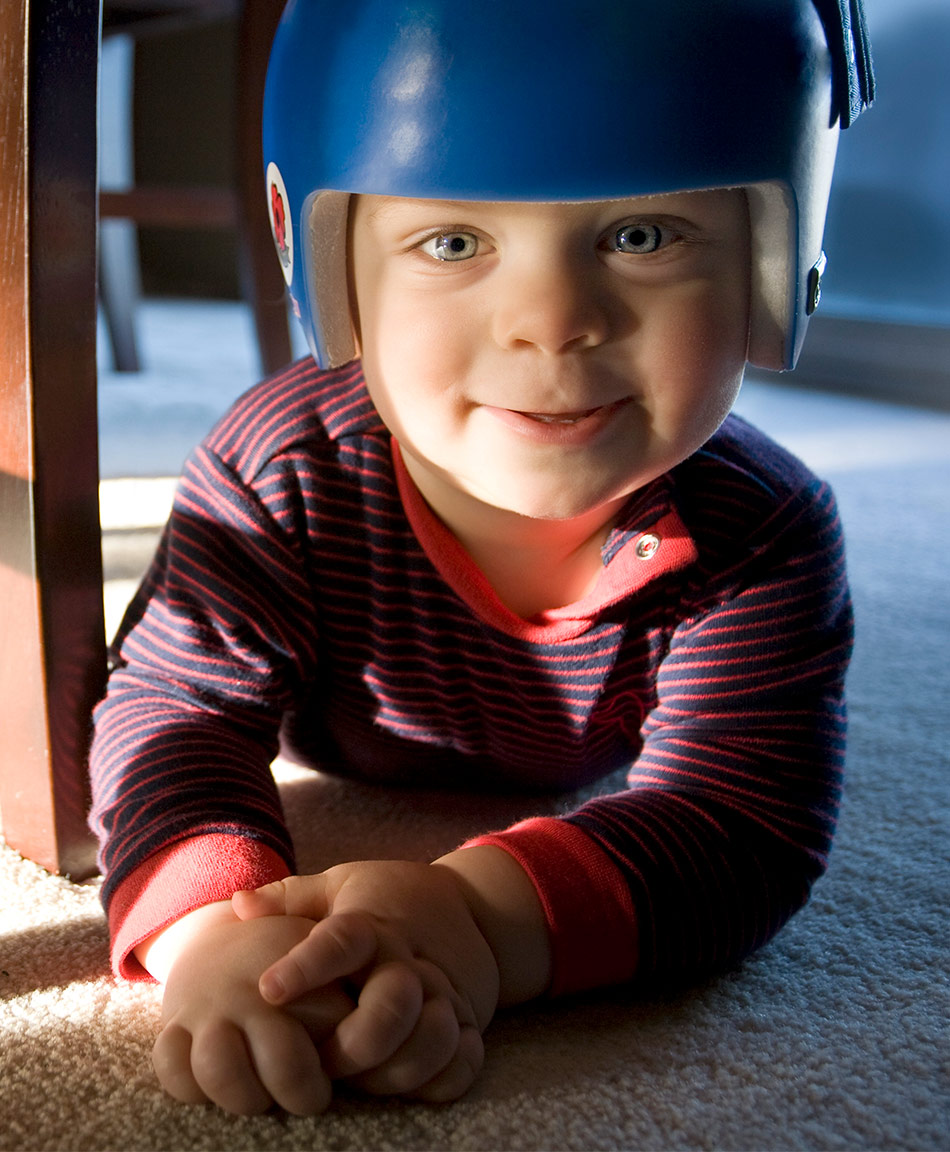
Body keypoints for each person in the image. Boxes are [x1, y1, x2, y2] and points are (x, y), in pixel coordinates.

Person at [88, 0, 874, 1117]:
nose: (551, 323)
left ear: (774, 253)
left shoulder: (764, 528)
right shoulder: (280, 465)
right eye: (451, 242)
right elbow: (173, 712)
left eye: (642, 234)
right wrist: (216, 935)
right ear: (320, 253)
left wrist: (476, 921)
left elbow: (737, 821)